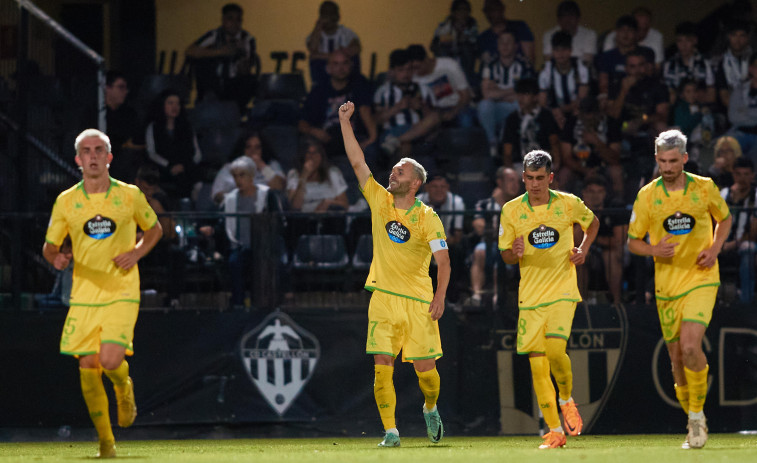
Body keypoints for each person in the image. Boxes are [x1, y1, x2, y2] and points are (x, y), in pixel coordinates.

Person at [42, 129, 163, 458]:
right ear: (78, 160)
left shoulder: (130, 195)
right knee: (88, 366)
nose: (93, 156)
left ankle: (124, 388)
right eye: (86, 151)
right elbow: (49, 247)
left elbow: (154, 229)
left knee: (110, 361)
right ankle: (106, 443)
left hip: (122, 288)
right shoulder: (66, 201)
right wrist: (58, 258)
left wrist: (136, 253)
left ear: (109, 157)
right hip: (84, 292)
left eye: (99, 150)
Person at [339, 100, 450, 447]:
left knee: (426, 375)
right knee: (382, 366)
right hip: (384, 298)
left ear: (415, 182)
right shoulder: (380, 201)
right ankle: (391, 432)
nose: (393, 174)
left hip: (419, 302)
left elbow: (443, 262)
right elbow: (358, 162)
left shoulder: (428, 217)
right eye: (393, 170)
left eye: (400, 171)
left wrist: (440, 296)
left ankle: (430, 407)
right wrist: (345, 122)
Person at [627, 129, 732, 449]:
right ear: (656, 159)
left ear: (685, 159)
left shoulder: (704, 188)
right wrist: (653, 250)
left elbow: (724, 220)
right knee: (676, 360)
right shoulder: (647, 195)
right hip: (667, 286)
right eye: (662, 161)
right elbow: (633, 242)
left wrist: (714, 248)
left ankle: (698, 417)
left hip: (701, 278)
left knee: (689, 347)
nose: (667, 167)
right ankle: (693, 420)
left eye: (673, 161)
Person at [498, 149, 599, 449]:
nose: (534, 184)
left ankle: (566, 398)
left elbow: (592, 223)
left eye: (540, 178)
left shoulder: (568, 203)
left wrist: (584, 247)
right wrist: (513, 254)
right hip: (529, 298)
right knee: (538, 367)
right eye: (529, 178)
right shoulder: (511, 210)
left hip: (562, 292)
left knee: (555, 352)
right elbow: (504, 255)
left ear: (550, 177)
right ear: (523, 178)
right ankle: (555, 432)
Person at [222, 156, 284, 308]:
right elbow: (222, 224)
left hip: (263, 247)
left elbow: (278, 222)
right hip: (240, 247)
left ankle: (267, 306)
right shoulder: (230, 199)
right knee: (234, 262)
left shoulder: (267, 195)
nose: (238, 180)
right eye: (235, 176)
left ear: (251, 175)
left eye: (242, 175)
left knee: (267, 264)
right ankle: (238, 305)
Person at [185, 3, 257, 110]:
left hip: (233, 84)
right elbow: (190, 51)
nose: (234, 24)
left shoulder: (247, 39)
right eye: (230, 19)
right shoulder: (214, 35)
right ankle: (207, 103)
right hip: (212, 82)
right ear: (223, 20)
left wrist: (243, 53)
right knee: (203, 63)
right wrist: (220, 52)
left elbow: (246, 70)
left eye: (238, 20)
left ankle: (235, 112)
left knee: (251, 81)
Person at [467, 166, 521, 304]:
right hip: (489, 245)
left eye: (517, 181)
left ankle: (498, 298)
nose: (515, 185)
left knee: (502, 254)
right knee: (480, 251)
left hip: (516, 247)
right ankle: (477, 296)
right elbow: (479, 227)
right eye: (510, 180)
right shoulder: (485, 204)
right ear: (500, 182)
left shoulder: (523, 205)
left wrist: (496, 230)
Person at [374, 49, 439, 159]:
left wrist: (420, 107)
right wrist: (397, 107)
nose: (406, 74)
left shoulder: (423, 89)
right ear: (392, 71)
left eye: (409, 70)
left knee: (436, 116)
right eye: (401, 70)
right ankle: (399, 142)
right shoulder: (383, 92)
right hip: (392, 131)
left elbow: (433, 121)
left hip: (417, 131)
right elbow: (375, 120)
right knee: (405, 145)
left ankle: (397, 141)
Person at [478, 31, 534, 157]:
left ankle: (507, 146)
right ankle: (492, 143)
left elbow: (525, 95)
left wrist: (497, 91)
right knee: (484, 105)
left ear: (516, 46)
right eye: (502, 42)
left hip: (515, 106)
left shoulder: (525, 64)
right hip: (497, 108)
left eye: (509, 42)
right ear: (497, 45)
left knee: (521, 105)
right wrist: (513, 89)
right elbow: (486, 94)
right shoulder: (489, 64)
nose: (505, 45)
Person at [142, 89, 203, 200]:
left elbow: (197, 154)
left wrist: (184, 166)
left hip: (186, 169)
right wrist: (169, 166)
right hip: (163, 169)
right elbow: (152, 153)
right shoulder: (153, 127)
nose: (175, 107)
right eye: (170, 103)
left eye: (177, 104)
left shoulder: (187, 127)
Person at [576, 176, 627, 305]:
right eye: (591, 192)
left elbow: (618, 242)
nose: (595, 196)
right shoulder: (576, 207)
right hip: (585, 248)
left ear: (605, 193)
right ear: (584, 193)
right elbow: (573, 238)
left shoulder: (615, 206)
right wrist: (587, 210)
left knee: (611, 255)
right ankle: (581, 303)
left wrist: (592, 237)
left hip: (613, 251)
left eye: (599, 192)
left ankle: (616, 303)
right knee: (579, 257)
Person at [407, 44, 475, 128]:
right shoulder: (413, 77)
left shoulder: (448, 65)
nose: (415, 71)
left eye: (417, 67)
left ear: (426, 59)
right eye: (412, 68)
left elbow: (466, 95)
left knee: (465, 119)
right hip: (434, 112)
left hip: (459, 106)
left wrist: (453, 112)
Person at [211, 131, 286, 204]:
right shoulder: (229, 167)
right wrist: (238, 198)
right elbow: (217, 195)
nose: (252, 151)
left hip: (265, 211)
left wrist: (261, 166)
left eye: (257, 147)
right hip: (237, 210)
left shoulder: (272, 165)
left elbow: (279, 187)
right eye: (248, 147)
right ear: (242, 149)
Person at [502, 78, 561, 171]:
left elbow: (554, 141)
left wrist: (556, 164)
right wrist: (509, 170)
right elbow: (507, 151)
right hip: (520, 165)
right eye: (519, 94)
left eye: (525, 94)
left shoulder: (546, 115)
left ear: (535, 97)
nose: (521, 98)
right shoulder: (512, 119)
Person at [538, 31, 590, 130]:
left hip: (575, 110)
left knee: (580, 113)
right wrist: (554, 111)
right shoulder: (546, 72)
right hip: (554, 112)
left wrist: (562, 109)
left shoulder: (581, 68)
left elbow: (582, 100)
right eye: (557, 50)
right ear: (552, 52)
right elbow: (542, 103)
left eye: (564, 50)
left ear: (571, 50)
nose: (560, 54)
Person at [306, 1, 362, 88]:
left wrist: (328, 56)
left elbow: (356, 49)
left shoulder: (346, 33)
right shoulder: (316, 34)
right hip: (323, 77)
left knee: (350, 60)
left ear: (337, 16)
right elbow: (312, 50)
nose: (328, 18)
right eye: (325, 14)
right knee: (315, 61)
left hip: (346, 77)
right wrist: (318, 26)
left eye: (331, 14)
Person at [662, 22, 716, 105]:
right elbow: (669, 93)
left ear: (695, 40)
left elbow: (711, 93)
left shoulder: (706, 62)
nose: (683, 45)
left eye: (687, 40)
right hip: (679, 109)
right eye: (679, 41)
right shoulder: (669, 65)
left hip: (702, 107)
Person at [102, 71, 141, 183]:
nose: (125, 92)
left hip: (126, 159)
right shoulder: (94, 113)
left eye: (125, 88)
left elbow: (136, 139)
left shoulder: (130, 113)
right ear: (107, 88)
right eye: (120, 87)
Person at [430, 0, 479, 85]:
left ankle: (466, 81)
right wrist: (454, 37)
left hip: (465, 60)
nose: (463, 13)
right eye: (460, 10)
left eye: (466, 10)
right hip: (448, 55)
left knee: (466, 48)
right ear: (454, 12)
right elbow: (434, 44)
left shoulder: (472, 24)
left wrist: (464, 36)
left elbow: (474, 42)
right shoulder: (445, 25)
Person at [477, 0, 534, 65]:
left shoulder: (520, 27)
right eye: (487, 10)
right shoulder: (483, 38)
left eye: (494, 9)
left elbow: (530, 59)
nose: (491, 13)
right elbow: (484, 65)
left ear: (502, 9)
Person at [542, 1, 597, 67]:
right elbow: (548, 61)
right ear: (558, 20)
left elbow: (587, 62)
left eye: (571, 15)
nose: (567, 20)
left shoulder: (589, 35)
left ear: (578, 18)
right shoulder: (549, 35)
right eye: (564, 16)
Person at [726, 51, 757, 161]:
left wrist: (745, 111)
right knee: (725, 145)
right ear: (751, 68)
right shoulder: (739, 90)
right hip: (740, 132)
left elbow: (741, 114)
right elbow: (733, 117)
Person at [715, 21, 753, 108]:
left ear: (747, 38)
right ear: (729, 37)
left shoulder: (754, 60)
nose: (737, 40)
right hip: (734, 111)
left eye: (742, 35)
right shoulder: (722, 63)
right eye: (734, 35)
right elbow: (724, 96)